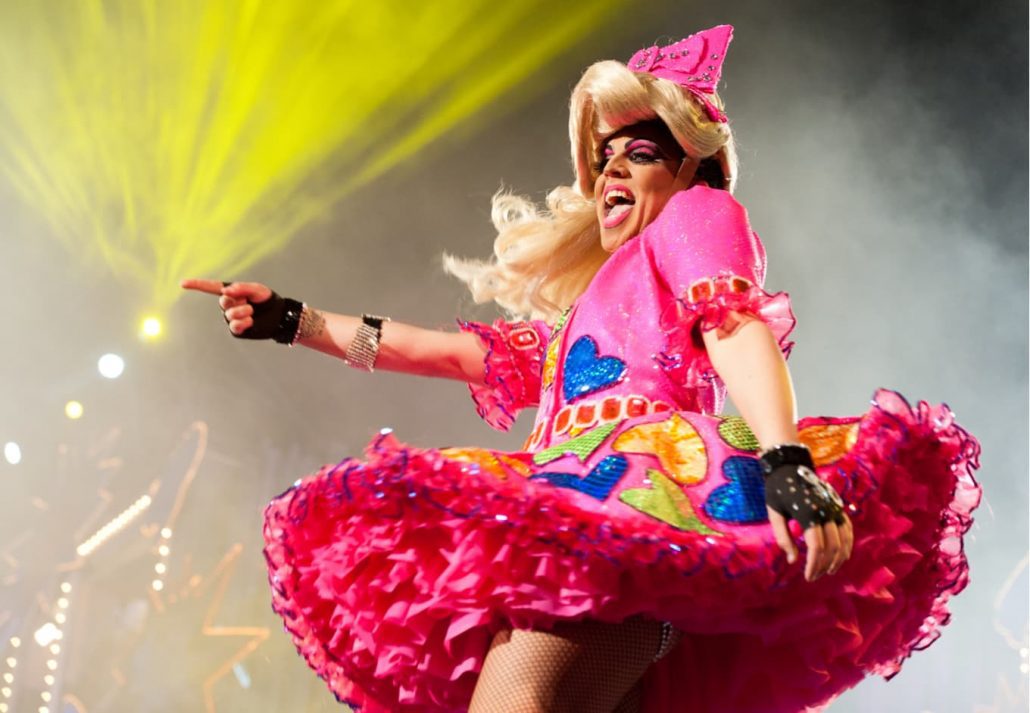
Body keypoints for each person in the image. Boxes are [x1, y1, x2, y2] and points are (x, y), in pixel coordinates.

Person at [183, 25, 980, 713]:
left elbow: (734, 324)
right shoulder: (581, 321)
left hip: (629, 517)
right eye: (603, 160)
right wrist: (298, 321)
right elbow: (448, 352)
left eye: (639, 153)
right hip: (611, 536)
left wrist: (786, 457)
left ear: (692, 167)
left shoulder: (701, 213)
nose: (612, 175)